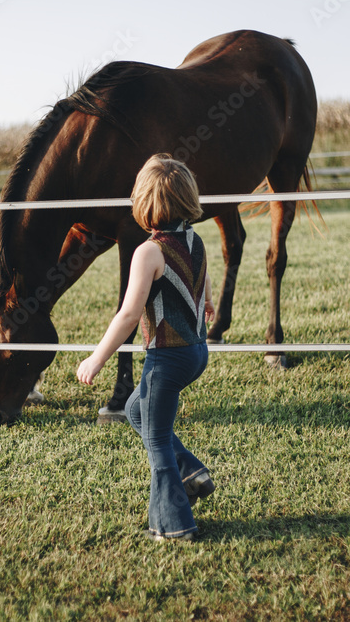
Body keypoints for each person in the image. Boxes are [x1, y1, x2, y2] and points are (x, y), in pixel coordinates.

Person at [77, 153, 216, 542]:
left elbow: (127, 315)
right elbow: (203, 282)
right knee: (137, 409)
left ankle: (174, 525)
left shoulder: (148, 252)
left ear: (142, 202)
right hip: (196, 352)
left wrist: (96, 358)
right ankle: (192, 470)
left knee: (156, 442)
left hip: (166, 359)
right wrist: (208, 302)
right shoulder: (196, 239)